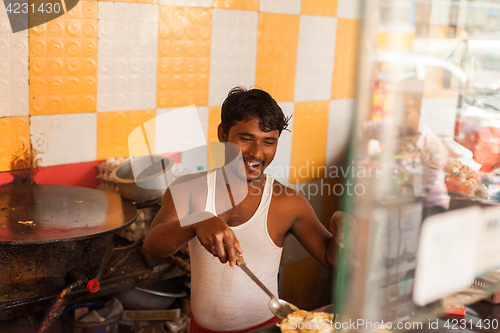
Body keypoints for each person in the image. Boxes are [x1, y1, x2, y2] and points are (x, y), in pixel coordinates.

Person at [143, 87, 348, 333]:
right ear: (223, 134)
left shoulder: (287, 202)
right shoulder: (189, 189)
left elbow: (330, 258)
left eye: (269, 142)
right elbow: (152, 246)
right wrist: (196, 223)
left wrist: (342, 233)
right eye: (246, 138)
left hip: (264, 329)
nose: (257, 153)